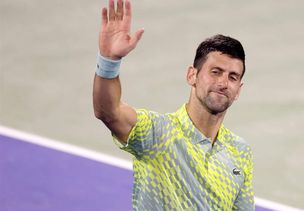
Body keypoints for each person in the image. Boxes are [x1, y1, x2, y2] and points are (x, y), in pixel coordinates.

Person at [93, 0, 254, 210]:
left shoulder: (240, 151)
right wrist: (109, 61)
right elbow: (109, 112)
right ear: (192, 75)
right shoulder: (159, 134)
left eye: (233, 77)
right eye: (215, 72)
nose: (223, 83)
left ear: (238, 90)